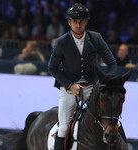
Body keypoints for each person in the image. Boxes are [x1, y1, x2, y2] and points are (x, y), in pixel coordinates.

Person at [48, 3, 117, 150]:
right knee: (64, 127)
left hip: (92, 86)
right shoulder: (61, 42)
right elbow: (52, 68)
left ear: (86, 22)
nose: (78, 24)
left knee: (111, 119)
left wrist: (103, 84)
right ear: (69, 22)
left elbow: (112, 64)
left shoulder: (96, 38)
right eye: (75, 21)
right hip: (69, 88)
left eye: (81, 21)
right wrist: (70, 85)